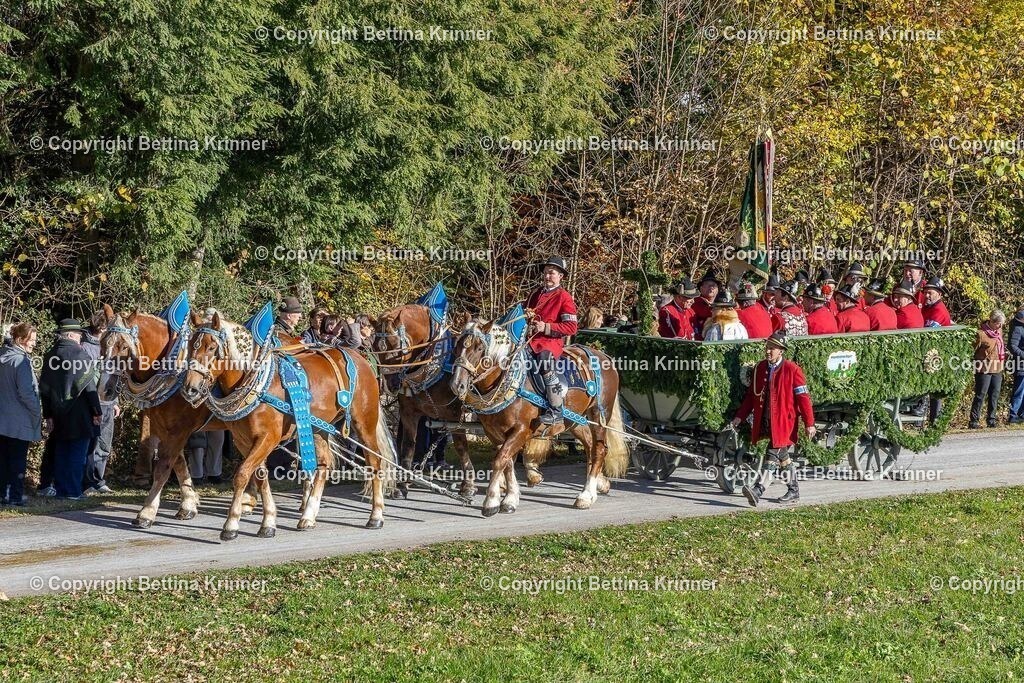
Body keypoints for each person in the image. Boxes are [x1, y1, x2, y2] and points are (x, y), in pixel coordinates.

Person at [731, 331, 816, 506]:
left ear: (781, 351)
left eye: (772, 349)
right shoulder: (760, 368)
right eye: (767, 348)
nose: (768, 351)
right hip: (767, 420)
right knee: (783, 457)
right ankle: (794, 490)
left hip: (784, 422)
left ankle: (758, 490)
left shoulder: (793, 370)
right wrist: (740, 417)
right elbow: (751, 397)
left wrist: (810, 423)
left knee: (772, 455)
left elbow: (803, 398)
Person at [39, 319, 102, 499]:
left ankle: (61, 490)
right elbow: (89, 389)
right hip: (80, 413)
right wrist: (97, 412)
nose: (81, 337)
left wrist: (48, 415)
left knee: (60, 452)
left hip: (58, 413)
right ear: (72, 335)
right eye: (79, 334)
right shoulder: (80, 355)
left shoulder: (49, 355)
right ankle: (73, 491)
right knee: (77, 454)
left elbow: (44, 389)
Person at [525, 256, 579, 424]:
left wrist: (546, 327)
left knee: (544, 362)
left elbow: (571, 327)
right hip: (529, 341)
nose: (547, 276)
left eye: (552, 273)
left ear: (560, 276)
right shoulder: (535, 293)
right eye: (546, 273)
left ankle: (556, 409)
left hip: (549, 343)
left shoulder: (564, 297)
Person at [0, 323, 42, 506]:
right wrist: (37, 411)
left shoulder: (3, 355)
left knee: (3, 459)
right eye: (31, 340)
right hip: (19, 419)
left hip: (3, 418)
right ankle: (15, 496)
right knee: (17, 460)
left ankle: (3, 494)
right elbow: (26, 392)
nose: (34, 344)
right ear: (20, 340)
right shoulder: (21, 361)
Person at [81, 310, 120, 495]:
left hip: (108, 400)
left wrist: (116, 400)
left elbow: (114, 374)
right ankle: (87, 481)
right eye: (106, 328)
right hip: (89, 400)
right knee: (90, 443)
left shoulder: (111, 343)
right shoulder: (84, 344)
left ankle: (99, 479)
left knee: (105, 442)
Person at [970, 310, 1006, 429]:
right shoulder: (981, 334)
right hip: (984, 368)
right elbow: (972, 351)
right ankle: (974, 420)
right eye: (998, 323)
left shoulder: (999, 331)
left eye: (1001, 324)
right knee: (981, 394)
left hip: (997, 368)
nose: (1000, 326)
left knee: (994, 394)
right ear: (991, 321)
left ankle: (991, 419)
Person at [690, 269, 720, 339]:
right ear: (701, 288)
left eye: (714, 285)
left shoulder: (720, 305)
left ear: (717, 289)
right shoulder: (694, 303)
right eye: (708, 285)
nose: (711, 288)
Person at [1007, 307, 1024, 424]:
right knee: (1019, 390)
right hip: (1021, 363)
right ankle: (1013, 415)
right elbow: (1012, 346)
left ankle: (1021, 414)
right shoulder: (1018, 328)